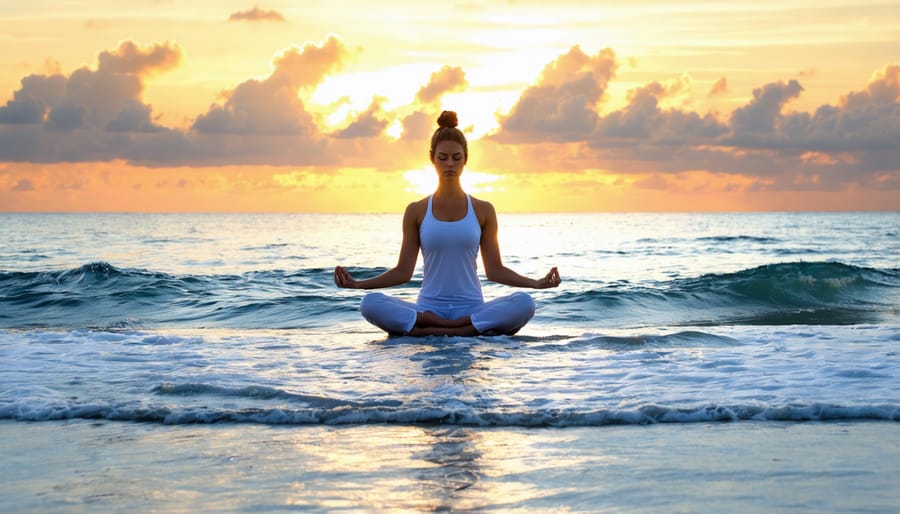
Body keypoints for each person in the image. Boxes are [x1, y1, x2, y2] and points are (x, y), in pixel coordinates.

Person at [334, 110, 561, 336]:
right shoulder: (417, 210)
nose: (450, 164)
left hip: (472, 307)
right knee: (370, 303)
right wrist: (358, 284)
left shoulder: (484, 210)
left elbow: (495, 271)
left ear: (466, 159)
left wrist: (536, 283)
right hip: (427, 308)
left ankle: (430, 330)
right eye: (443, 158)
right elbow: (403, 272)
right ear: (432, 158)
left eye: (456, 157)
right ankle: (464, 329)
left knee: (525, 303)